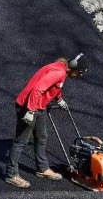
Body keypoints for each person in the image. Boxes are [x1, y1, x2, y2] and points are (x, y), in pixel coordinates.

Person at [5, 54, 89, 188]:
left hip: (39, 107)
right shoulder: (59, 72)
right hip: (27, 107)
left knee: (41, 136)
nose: (79, 76)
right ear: (73, 67)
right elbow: (38, 88)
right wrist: (30, 110)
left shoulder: (62, 70)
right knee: (21, 141)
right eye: (79, 73)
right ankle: (11, 175)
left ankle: (42, 169)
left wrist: (59, 99)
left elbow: (55, 87)